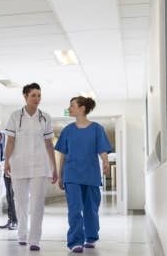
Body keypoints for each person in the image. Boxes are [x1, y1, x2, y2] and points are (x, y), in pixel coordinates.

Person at [3, 83, 58, 251]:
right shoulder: (15, 116)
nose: (37, 99)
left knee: (37, 203)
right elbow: (10, 141)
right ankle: (22, 234)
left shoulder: (45, 117)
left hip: (40, 165)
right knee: (20, 202)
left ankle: (34, 239)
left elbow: (49, 144)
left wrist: (53, 166)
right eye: (34, 95)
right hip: (18, 164)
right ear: (25, 96)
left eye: (39, 95)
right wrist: (6, 162)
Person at [55, 96, 112, 253]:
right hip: (71, 175)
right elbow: (63, 155)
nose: (69, 108)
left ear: (82, 108)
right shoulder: (67, 130)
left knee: (91, 208)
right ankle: (75, 241)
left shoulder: (97, 129)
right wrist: (60, 175)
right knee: (74, 208)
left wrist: (106, 161)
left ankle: (91, 237)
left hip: (91, 174)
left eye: (72, 105)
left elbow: (102, 149)